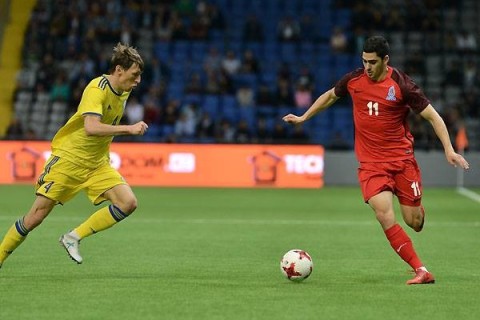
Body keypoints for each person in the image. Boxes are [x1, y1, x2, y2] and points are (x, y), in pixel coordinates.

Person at [283, 36, 470, 285]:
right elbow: (329, 96)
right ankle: (421, 270)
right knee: (384, 215)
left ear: (385, 60)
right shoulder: (354, 80)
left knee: (414, 222)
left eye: (372, 62)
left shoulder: (402, 85)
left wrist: (449, 149)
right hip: (371, 165)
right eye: (364, 61)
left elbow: (433, 117)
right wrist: (304, 117)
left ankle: (416, 210)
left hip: (402, 161)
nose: (367, 67)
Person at [0, 43, 149, 268]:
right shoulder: (96, 89)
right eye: (135, 74)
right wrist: (128, 129)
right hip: (69, 160)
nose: (138, 80)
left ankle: (73, 237)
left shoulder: (124, 92)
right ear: (119, 70)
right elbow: (91, 127)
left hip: (97, 164)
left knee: (128, 203)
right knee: (35, 217)